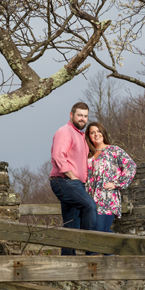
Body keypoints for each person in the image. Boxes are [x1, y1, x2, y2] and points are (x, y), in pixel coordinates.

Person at [50, 102, 98, 255]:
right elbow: (58, 156)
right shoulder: (65, 132)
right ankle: (91, 252)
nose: (82, 119)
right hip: (65, 181)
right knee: (90, 206)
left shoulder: (81, 136)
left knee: (71, 223)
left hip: (76, 184)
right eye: (79, 115)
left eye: (85, 116)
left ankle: (68, 261)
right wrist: (73, 177)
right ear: (71, 115)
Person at [84, 121, 137, 234]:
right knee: (95, 234)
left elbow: (131, 166)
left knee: (99, 232)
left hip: (107, 199)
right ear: (89, 137)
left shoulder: (114, 150)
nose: (96, 134)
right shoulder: (88, 154)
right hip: (90, 201)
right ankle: (118, 250)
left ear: (103, 133)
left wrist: (117, 183)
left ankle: (119, 248)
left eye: (98, 131)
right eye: (92, 132)